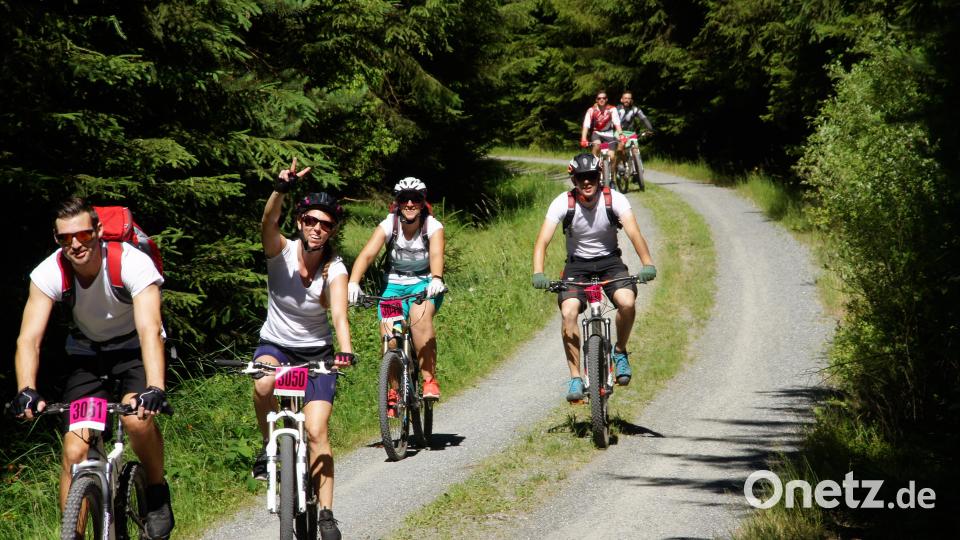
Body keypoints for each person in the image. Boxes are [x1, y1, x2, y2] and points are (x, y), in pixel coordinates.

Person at [9, 197, 174, 538]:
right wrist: (26, 389)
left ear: (98, 231)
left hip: (134, 348)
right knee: (74, 448)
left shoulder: (131, 263)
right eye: (65, 238)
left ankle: (156, 492)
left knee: (136, 419)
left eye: (83, 235)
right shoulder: (49, 271)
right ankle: (75, 533)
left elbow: (149, 329)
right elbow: (28, 339)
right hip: (87, 354)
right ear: (57, 240)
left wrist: (155, 387)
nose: (75, 245)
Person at [250, 158, 355, 540]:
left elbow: (339, 315)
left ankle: (326, 513)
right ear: (300, 223)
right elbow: (267, 223)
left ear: (332, 231)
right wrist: (280, 187)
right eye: (311, 221)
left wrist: (344, 351)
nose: (317, 229)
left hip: (317, 354)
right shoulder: (280, 251)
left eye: (325, 224)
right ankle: (268, 448)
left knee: (316, 430)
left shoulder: (336, 269)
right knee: (261, 384)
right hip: (275, 345)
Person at [531, 154, 657, 401]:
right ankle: (576, 377)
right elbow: (542, 241)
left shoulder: (615, 199)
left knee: (627, 302)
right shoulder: (563, 203)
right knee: (568, 313)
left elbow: (634, 232)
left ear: (600, 177)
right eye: (581, 178)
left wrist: (647, 263)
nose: (587, 182)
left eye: (592, 177)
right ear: (573, 179)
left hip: (610, 262)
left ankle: (619, 351)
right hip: (577, 266)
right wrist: (538, 272)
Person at [347, 177, 446, 400]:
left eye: (415, 199)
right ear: (397, 203)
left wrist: (437, 278)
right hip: (393, 285)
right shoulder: (389, 225)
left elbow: (437, 254)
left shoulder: (432, 226)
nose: (410, 204)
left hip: (424, 285)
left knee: (419, 318)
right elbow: (367, 254)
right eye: (404, 199)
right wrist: (353, 282)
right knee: (390, 337)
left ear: (423, 203)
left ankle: (429, 380)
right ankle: (393, 391)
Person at [580, 90, 625, 176]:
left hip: (609, 134)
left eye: (604, 98)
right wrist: (583, 138)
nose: (601, 100)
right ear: (596, 100)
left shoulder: (612, 109)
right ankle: (594, 167)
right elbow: (586, 125)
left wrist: (621, 134)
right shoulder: (591, 110)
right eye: (599, 98)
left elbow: (617, 123)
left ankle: (611, 178)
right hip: (597, 133)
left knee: (611, 157)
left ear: (607, 99)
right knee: (597, 145)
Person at [616, 91, 654, 166]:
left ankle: (637, 170)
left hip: (631, 133)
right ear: (621, 100)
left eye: (629, 98)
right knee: (620, 147)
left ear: (631, 100)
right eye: (625, 98)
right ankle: (621, 164)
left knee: (635, 149)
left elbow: (644, 118)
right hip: (618, 132)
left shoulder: (635, 109)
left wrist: (650, 129)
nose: (627, 100)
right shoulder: (616, 109)